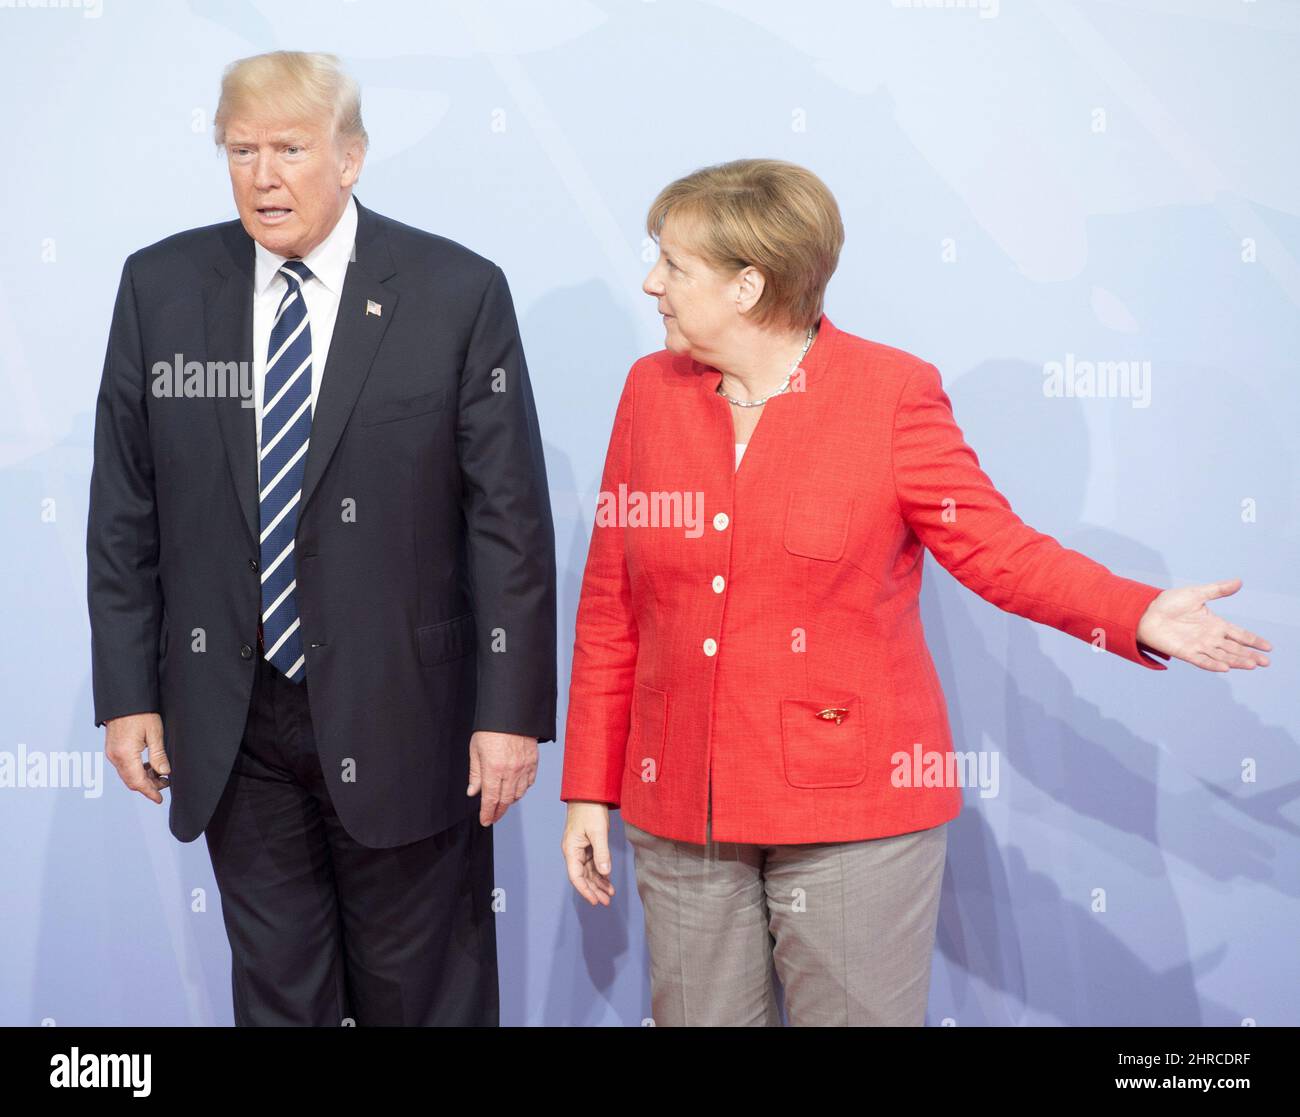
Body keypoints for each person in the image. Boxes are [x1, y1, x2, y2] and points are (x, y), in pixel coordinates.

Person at [558, 157, 1271, 1027]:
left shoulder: (890, 394)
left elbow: (999, 552)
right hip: (680, 811)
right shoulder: (649, 393)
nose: (651, 282)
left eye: (673, 264)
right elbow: (610, 606)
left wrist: (1138, 611)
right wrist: (589, 787)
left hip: (854, 812)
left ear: (749, 285)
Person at [87, 51, 556, 1026]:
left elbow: (505, 523)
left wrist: (509, 711)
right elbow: (125, 510)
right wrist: (128, 692)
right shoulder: (163, 286)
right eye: (241, 149)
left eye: (290, 149)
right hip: (234, 721)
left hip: (408, 715)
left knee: (423, 998)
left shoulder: (454, 292)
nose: (263, 175)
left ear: (350, 157)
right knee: (277, 999)